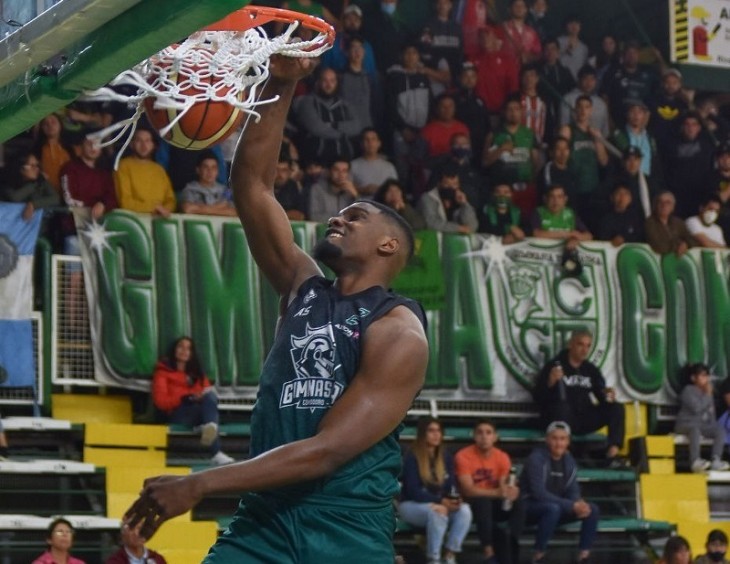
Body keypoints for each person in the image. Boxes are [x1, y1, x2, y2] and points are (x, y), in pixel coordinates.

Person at [124, 55, 429, 563]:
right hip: (263, 520)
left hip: (346, 528)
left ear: (388, 246)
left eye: (355, 217)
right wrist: (281, 83)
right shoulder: (302, 286)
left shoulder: (399, 331)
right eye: (340, 213)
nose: (337, 219)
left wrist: (200, 484)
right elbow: (252, 186)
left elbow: (327, 451)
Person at [533, 330, 626, 466]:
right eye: (580, 344)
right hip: (559, 418)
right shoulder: (554, 366)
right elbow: (538, 398)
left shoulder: (591, 369)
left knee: (617, 408)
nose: (584, 350)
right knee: (562, 407)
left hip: (583, 417)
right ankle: (565, 454)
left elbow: (601, 396)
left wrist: (607, 394)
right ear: (571, 344)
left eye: (588, 346)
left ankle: (612, 454)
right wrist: (550, 383)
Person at [519, 421, 599, 564]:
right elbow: (538, 493)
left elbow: (572, 490)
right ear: (547, 439)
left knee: (591, 509)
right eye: (554, 438)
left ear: (568, 441)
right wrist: (571, 505)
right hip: (529, 506)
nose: (559, 443)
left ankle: (584, 556)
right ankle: (538, 555)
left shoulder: (569, 460)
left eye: (562, 439)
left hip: (557, 507)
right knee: (552, 509)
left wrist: (578, 502)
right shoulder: (536, 459)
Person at [399, 417, 473, 564]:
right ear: (422, 434)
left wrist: (454, 499)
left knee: (464, 510)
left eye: (438, 431)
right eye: (431, 431)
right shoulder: (411, 456)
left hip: (439, 504)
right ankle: (434, 558)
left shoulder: (446, 456)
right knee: (438, 512)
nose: (436, 434)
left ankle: (450, 554)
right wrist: (440, 501)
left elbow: (451, 485)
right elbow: (414, 491)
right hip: (411, 505)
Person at [151, 337, 234, 466]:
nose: (184, 351)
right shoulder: (163, 372)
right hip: (177, 413)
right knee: (209, 417)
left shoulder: (197, 374)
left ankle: (208, 426)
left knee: (210, 396)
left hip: (198, 412)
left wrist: (198, 397)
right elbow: (160, 402)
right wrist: (185, 397)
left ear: (192, 353)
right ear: (174, 350)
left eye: (188, 348)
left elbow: (207, 393)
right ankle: (214, 449)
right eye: (181, 346)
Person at [455, 420, 520, 564]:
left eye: (488, 433)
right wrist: (497, 493)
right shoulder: (463, 455)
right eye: (480, 433)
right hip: (472, 502)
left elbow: (504, 484)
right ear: (474, 436)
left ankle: (513, 539)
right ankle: (488, 553)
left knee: (520, 502)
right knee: (483, 503)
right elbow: (468, 490)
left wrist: (511, 491)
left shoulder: (502, 456)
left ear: (495, 437)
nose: (484, 436)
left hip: (495, 503)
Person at [292, 67, 363, 164]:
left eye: (332, 81)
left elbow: (356, 127)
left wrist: (333, 124)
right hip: (316, 161)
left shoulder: (345, 104)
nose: (329, 85)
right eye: (325, 80)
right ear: (318, 82)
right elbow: (316, 128)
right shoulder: (307, 102)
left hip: (344, 160)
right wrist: (343, 133)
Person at [675, 363, 730, 473]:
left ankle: (716, 459)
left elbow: (711, 413)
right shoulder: (688, 390)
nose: (706, 379)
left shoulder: (708, 393)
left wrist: (713, 426)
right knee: (695, 430)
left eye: (707, 376)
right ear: (693, 378)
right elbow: (697, 408)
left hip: (703, 425)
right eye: (703, 375)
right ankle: (695, 461)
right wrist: (708, 395)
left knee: (720, 431)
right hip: (685, 424)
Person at [113, 128, 175, 216]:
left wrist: (165, 209)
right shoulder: (123, 166)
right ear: (131, 144)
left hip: (160, 219)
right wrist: (154, 208)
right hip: (134, 219)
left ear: (153, 145)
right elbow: (125, 203)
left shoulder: (159, 169)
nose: (144, 145)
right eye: (139, 140)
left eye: (147, 141)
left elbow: (170, 200)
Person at [418, 165, 479, 234]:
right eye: (447, 184)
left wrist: (464, 205)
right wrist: (458, 228)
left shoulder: (459, 199)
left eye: (455, 184)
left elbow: (472, 226)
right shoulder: (428, 198)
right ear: (439, 184)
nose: (452, 187)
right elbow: (431, 223)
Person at [179, 151, 237, 216]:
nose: (210, 171)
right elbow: (187, 209)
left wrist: (200, 209)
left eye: (213, 167)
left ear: (217, 171)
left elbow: (234, 212)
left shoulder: (225, 191)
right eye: (205, 167)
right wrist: (219, 207)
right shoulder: (190, 189)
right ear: (198, 170)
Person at [349, 128, 399, 198]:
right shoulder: (352, 165)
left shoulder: (389, 166)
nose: (370, 143)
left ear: (379, 143)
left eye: (373, 139)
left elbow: (396, 190)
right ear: (361, 144)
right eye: (366, 139)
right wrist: (362, 190)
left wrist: (381, 190)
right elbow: (346, 189)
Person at [307, 158, 359, 223]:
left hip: (346, 228)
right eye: (336, 170)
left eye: (344, 171)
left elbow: (361, 217)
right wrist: (342, 219)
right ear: (329, 172)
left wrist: (356, 196)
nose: (340, 174)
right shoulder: (317, 189)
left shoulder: (350, 192)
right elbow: (314, 216)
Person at [645, 191, 695, 256]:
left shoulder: (678, 222)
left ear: (672, 207)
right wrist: (679, 244)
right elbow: (659, 246)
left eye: (668, 202)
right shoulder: (649, 223)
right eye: (660, 202)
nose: (664, 205)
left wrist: (686, 244)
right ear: (655, 205)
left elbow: (692, 241)